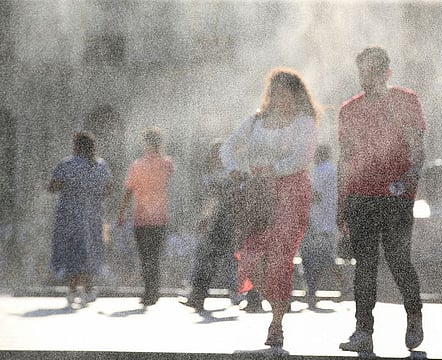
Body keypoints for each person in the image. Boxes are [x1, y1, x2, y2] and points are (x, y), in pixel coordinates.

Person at [221, 67, 319, 347]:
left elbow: (302, 158)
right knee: (251, 256)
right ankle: (274, 298)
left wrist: (271, 170)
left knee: (279, 258)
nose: (278, 98)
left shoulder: (303, 122)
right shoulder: (255, 121)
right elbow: (228, 146)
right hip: (257, 195)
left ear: (295, 95)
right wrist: (234, 170)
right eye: (274, 92)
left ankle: (276, 323)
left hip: (291, 195)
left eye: (284, 93)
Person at [336, 46, 426, 353]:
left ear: (387, 72)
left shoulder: (406, 101)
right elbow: (344, 160)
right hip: (360, 195)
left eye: (374, 70)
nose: (367, 77)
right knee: (365, 265)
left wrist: (407, 183)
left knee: (398, 260)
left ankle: (413, 314)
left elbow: (417, 150)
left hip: (395, 197)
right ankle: (364, 331)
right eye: (363, 70)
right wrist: (341, 202)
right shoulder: (348, 109)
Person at [49, 131, 112, 308]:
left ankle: (72, 290)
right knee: (89, 252)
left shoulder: (68, 164)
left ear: (76, 145)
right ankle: (87, 289)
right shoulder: (101, 165)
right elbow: (108, 190)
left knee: (72, 252)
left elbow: (53, 186)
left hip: (69, 217)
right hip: (93, 218)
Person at [118, 127, 174, 306]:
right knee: (155, 256)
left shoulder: (137, 165)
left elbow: (128, 191)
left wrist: (121, 212)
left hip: (141, 217)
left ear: (147, 144)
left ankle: (149, 291)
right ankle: (154, 290)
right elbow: (170, 182)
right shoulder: (167, 163)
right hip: (160, 217)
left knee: (145, 256)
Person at [179, 140, 238, 311]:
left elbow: (214, 198)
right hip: (223, 222)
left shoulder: (224, 174)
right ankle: (201, 295)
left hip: (221, 223)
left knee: (212, 259)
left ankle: (200, 296)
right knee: (218, 259)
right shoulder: (225, 173)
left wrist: (205, 218)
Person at [300, 144, 338, 309]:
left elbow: (313, 195)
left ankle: (312, 292)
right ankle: (313, 292)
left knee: (311, 259)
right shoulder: (333, 170)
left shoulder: (320, 172)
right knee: (322, 257)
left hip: (315, 222)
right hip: (327, 222)